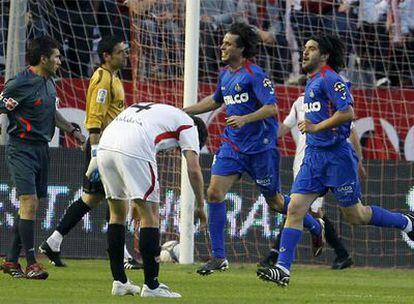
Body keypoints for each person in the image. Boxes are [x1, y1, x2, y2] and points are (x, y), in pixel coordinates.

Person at [257, 34, 414, 287]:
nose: (305, 53)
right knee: (295, 209)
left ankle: (407, 222)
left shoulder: (330, 79)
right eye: (305, 48)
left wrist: (317, 128)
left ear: (325, 55)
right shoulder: (310, 82)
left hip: (337, 158)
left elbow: (348, 112)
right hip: (313, 158)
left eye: (312, 48)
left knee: (356, 216)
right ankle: (282, 269)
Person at [184, 22, 324, 276]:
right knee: (214, 193)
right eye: (223, 43)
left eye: (228, 44)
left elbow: (272, 108)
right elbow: (216, 101)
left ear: (242, 48)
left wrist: (245, 119)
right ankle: (218, 257)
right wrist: (183, 112)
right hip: (233, 145)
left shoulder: (255, 74)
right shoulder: (225, 74)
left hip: (261, 148)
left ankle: (314, 226)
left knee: (276, 202)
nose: (222, 47)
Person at [39, 36, 140, 270]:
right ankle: (123, 255)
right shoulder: (102, 79)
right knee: (116, 198)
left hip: (110, 145)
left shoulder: (113, 77)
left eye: (125, 51)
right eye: (120, 52)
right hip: (103, 147)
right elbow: (94, 117)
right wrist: (95, 153)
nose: (125, 55)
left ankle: (53, 241)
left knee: (94, 199)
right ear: (106, 56)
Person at [89, 102, 208, 297]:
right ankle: (152, 286)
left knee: (117, 214)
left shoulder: (158, 111)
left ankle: (120, 281)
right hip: (133, 145)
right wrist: (201, 205)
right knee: (151, 216)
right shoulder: (189, 125)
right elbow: (194, 169)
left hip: (106, 143)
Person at [0, 36, 85, 279]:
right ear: (43, 58)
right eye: (56, 56)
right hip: (21, 148)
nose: (60, 60)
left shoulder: (49, 82)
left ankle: (10, 260)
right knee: (29, 202)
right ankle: (31, 263)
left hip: (41, 150)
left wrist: (73, 131)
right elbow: (1, 105)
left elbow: (52, 113)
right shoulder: (20, 83)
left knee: (31, 205)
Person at [259, 90, 367, 270]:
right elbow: (284, 128)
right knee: (300, 209)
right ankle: (341, 254)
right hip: (302, 163)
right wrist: (264, 136)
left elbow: (352, 131)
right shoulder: (299, 101)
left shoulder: (331, 99)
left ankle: (275, 255)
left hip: (320, 164)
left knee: (308, 210)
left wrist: (359, 160)